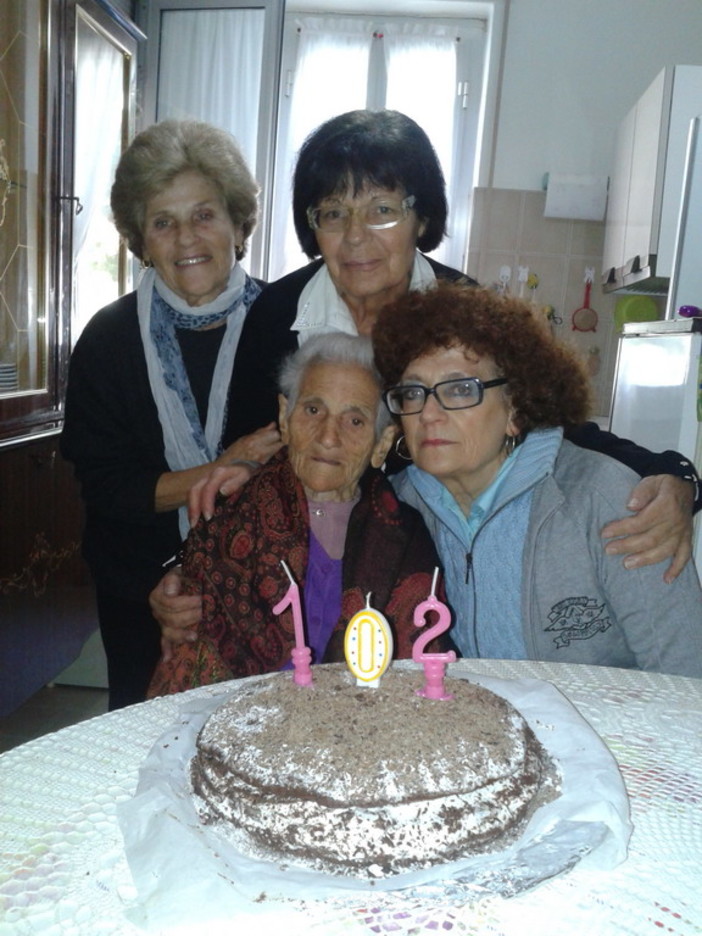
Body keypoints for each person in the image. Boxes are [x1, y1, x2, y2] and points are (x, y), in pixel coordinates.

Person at [149, 108, 699, 646]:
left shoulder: (461, 311)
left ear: (422, 219)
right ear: (313, 227)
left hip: (423, 557)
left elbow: (551, 422)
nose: (357, 236)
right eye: (334, 213)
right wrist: (192, 570)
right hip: (310, 566)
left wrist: (673, 476)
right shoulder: (276, 314)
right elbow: (250, 465)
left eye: (382, 209)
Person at [61, 120, 282, 710]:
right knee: (142, 751)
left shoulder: (288, 329)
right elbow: (108, 490)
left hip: (267, 599)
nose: (187, 237)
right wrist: (230, 466)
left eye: (205, 214)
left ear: (238, 224)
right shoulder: (106, 342)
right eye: (164, 222)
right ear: (141, 240)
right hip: (141, 597)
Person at [372, 282, 702, 676]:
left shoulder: (607, 501)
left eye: (461, 389)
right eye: (413, 392)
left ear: (515, 408)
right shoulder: (396, 509)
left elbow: (684, 677)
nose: (428, 413)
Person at [147, 334, 444, 696]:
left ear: (381, 444)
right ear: (285, 419)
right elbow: (186, 666)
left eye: (355, 421)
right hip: (238, 726)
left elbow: (419, 675)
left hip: (363, 732)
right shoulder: (231, 521)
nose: (328, 437)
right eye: (313, 410)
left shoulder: (405, 539)